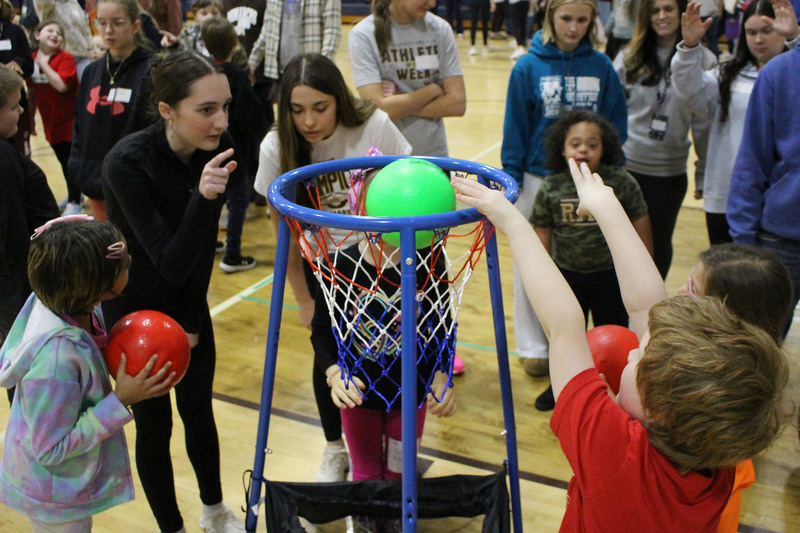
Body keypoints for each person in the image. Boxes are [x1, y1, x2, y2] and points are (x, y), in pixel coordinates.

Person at [450, 159, 789, 532]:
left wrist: (512, 222)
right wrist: (606, 207)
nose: (631, 350)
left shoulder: (615, 457)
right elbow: (646, 308)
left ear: (656, 408)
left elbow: (564, 327)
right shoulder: (715, 459)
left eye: (638, 357)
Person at [102, 50, 245, 533]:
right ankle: (173, 528)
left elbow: (199, 257)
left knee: (198, 410)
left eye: (225, 106)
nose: (221, 121)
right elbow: (168, 259)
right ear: (167, 110)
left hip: (187, 303)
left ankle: (214, 510)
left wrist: (190, 321)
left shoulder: (219, 147)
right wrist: (203, 198)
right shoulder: (126, 164)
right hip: (134, 309)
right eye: (207, 110)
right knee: (154, 425)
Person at [253, 53, 412, 483]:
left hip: (380, 259)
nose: (308, 121)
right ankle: (334, 445)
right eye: (296, 110)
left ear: (339, 99)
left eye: (320, 108)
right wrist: (302, 298)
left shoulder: (374, 125)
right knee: (328, 356)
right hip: (323, 269)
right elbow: (284, 235)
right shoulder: (276, 147)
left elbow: (407, 188)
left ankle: (395, 442)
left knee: (389, 350)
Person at [0, 216, 175, 533]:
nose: (129, 260)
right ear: (95, 285)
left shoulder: (65, 302)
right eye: (122, 263)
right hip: (54, 499)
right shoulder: (54, 362)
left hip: (60, 488)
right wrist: (120, 400)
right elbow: (50, 448)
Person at [501, 0, 627, 399]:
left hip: (589, 182)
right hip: (538, 179)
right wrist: (512, 178)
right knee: (534, 265)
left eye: (582, 20)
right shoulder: (527, 67)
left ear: (593, 21)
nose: (574, 27)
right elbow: (515, 127)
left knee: (585, 267)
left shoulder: (602, 66)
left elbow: (616, 124)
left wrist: (610, 173)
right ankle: (536, 346)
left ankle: (593, 345)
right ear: (550, 17)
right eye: (566, 18)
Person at [311, 236, 457, 533]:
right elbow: (321, 332)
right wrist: (335, 375)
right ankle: (365, 521)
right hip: (359, 397)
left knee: (400, 472)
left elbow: (444, 328)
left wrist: (442, 376)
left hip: (411, 395)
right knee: (365, 472)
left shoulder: (429, 262)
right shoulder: (339, 265)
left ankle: (395, 519)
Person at [530, 110, 651, 410]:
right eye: (575, 144)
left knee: (616, 337)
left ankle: (619, 386)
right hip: (568, 276)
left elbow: (640, 220)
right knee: (565, 337)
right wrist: (545, 275)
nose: (583, 149)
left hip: (612, 277)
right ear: (562, 149)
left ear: (604, 149)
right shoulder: (552, 187)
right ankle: (561, 388)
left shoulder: (621, 182)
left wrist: (646, 264)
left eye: (592, 144)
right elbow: (541, 231)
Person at [678, 241, 792, 533]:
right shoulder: (755, 363)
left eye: (692, 289)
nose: (680, 292)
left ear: (727, 314)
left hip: (702, 513)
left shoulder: (710, 385)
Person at [672, 0, 799, 245]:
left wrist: (795, 40)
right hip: (727, 194)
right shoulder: (727, 75)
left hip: (780, 200)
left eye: (767, 31)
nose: (759, 40)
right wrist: (689, 48)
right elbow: (689, 93)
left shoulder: (789, 77)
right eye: (751, 32)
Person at [614, 0, 711, 279]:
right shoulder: (629, 57)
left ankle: (653, 302)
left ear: (681, 12)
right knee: (619, 244)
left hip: (668, 173)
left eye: (668, 9)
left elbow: (704, 126)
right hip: (628, 168)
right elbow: (611, 114)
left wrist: (702, 172)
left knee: (657, 244)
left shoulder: (703, 61)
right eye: (654, 11)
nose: (661, 16)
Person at [728, 42, 800, 339]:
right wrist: (743, 240)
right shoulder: (779, 72)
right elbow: (752, 159)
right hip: (780, 239)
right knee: (760, 342)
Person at [0, 64, 60, 405]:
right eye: (14, 106)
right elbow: (11, 235)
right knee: (28, 387)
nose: (22, 112)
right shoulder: (4, 159)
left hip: (17, 290)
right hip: (19, 293)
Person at [69, 0, 154, 221]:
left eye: (117, 23)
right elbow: (80, 123)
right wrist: (77, 166)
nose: (108, 30)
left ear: (135, 26)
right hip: (94, 181)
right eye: (102, 23)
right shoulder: (91, 71)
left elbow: (154, 132)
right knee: (106, 241)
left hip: (134, 186)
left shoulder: (151, 70)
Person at [348, 0, 467, 159]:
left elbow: (457, 104)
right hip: (387, 160)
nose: (432, 3)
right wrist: (432, 91)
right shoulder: (363, 35)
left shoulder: (440, 29)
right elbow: (378, 110)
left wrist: (397, 104)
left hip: (434, 157)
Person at [202, 15, 267, 272]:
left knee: (214, 196)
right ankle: (232, 254)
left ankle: (210, 243)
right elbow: (251, 115)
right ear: (233, 43)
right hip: (234, 148)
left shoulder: (203, 73)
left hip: (209, 147)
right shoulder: (236, 76)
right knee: (238, 199)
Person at [28, 20, 82, 216]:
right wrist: (31, 119)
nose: (55, 35)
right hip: (50, 123)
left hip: (70, 121)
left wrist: (43, 63)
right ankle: (72, 194)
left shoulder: (65, 58)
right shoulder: (31, 59)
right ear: (37, 35)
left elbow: (61, 86)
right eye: (50, 30)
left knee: (70, 162)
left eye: (59, 33)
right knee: (62, 161)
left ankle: (75, 201)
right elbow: (31, 92)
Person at [246, 0, 341, 103]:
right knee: (284, 113)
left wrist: (322, 68)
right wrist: (253, 61)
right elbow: (268, 27)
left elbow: (332, 32)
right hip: (281, 74)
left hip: (311, 75)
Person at [0, 0, 34, 156]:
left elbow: (29, 65)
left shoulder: (15, 31)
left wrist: (17, 63)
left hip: (16, 102)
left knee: (21, 151)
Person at [32, 0, 93, 78]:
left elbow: (84, 28)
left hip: (83, 55)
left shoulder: (73, 2)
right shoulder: (48, 4)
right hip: (60, 58)